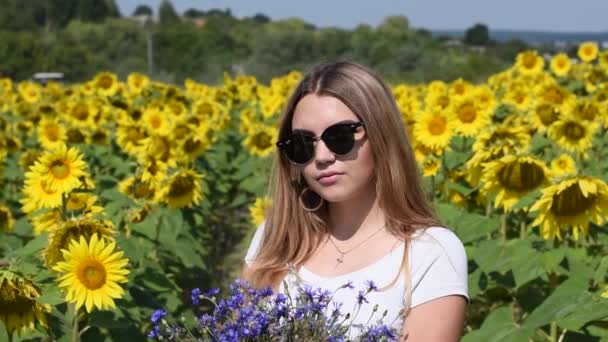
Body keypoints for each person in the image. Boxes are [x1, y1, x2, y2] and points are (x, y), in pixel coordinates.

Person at [242, 61, 469, 341]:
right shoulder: (276, 238)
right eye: (302, 143)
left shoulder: (430, 252)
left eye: (340, 136)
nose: (322, 157)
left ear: (381, 134)